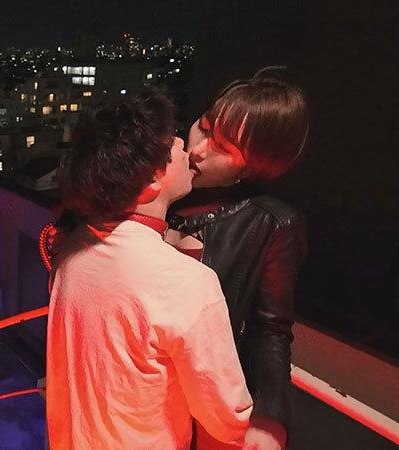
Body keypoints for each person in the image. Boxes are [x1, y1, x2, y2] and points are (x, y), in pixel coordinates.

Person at [44, 93, 253, 450]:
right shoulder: (187, 281)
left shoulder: (73, 249)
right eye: (173, 143)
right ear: (155, 177)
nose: (187, 148)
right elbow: (227, 416)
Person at [167, 67, 310, 450]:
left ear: (251, 168)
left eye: (225, 148)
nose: (198, 150)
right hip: (140, 392)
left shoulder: (271, 223)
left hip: (205, 404)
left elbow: (271, 329)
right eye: (204, 127)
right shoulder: (159, 188)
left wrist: (271, 415)